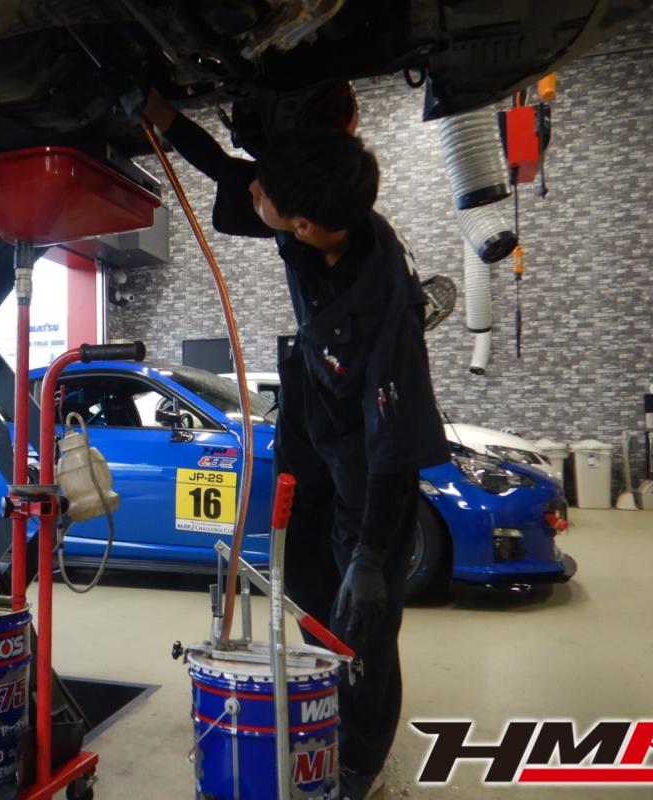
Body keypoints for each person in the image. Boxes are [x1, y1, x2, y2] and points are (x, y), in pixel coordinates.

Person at [142, 89, 449, 800]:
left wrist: (371, 558)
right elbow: (231, 171)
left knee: (361, 630)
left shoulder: (384, 314)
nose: (252, 193)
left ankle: (358, 765)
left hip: (369, 479)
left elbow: (395, 448)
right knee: (310, 601)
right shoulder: (319, 214)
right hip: (313, 441)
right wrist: (167, 120)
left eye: (265, 196)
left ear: (303, 226)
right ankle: (321, 711)